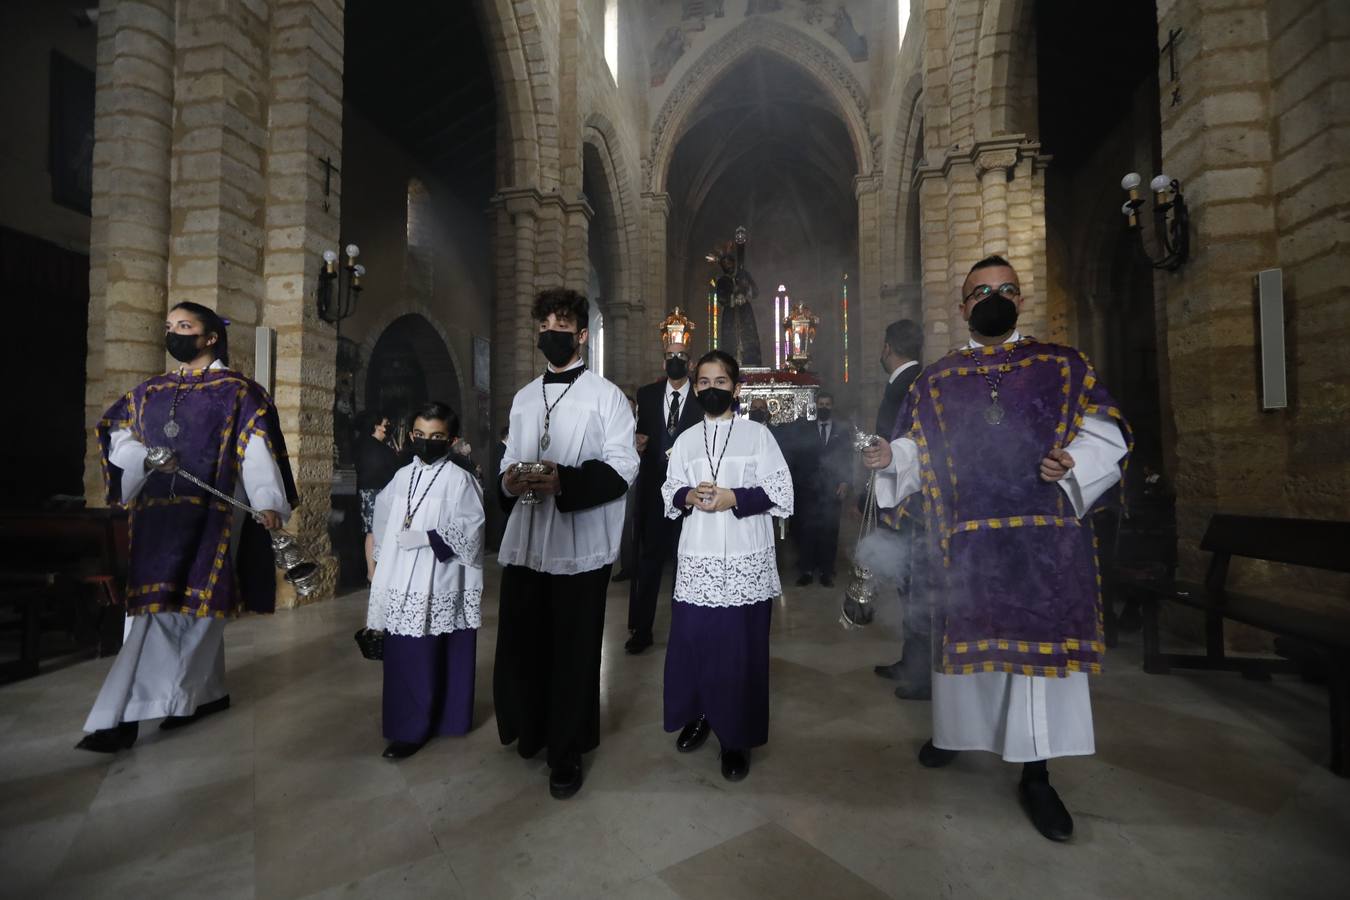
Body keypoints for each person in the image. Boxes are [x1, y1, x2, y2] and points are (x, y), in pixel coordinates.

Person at [862, 255, 1130, 842]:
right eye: (981, 291)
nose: (993, 297)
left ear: (1020, 300)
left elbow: (1106, 432)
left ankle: (1037, 773)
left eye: (1005, 289)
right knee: (964, 649)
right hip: (967, 544)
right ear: (963, 307)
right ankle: (956, 735)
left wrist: (1074, 462)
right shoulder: (937, 379)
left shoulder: (1061, 365)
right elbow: (916, 448)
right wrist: (892, 460)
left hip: (1043, 543)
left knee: (1035, 663)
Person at [77, 302, 296, 753]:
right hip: (155, 518)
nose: (174, 333)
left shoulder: (238, 392)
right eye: (169, 326)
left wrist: (268, 501)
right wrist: (144, 456)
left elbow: (255, 448)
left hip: (209, 517)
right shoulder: (150, 391)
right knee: (162, 611)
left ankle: (120, 718)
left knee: (178, 611)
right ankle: (205, 695)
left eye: (185, 326)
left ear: (211, 336)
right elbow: (118, 434)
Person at [494, 288, 639, 799]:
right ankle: (531, 731)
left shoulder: (607, 397)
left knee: (574, 651)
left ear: (581, 335)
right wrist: (509, 482)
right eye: (544, 324)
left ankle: (567, 751)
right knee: (525, 642)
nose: (551, 333)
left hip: (579, 545)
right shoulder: (524, 397)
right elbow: (507, 458)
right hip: (527, 540)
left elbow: (625, 465)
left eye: (562, 325)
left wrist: (567, 482)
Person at [662, 350, 792, 781]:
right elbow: (669, 491)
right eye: (704, 382)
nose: (712, 389)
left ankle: (736, 737)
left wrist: (734, 497)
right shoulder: (683, 440)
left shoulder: (758, 436)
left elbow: (782, 491)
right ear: (695, 388)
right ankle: (700, 715)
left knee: (740, 653)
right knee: (695, 643)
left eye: (720, 382)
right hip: (697, 558)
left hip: (744, 559)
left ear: (736, 388)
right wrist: (687, 497)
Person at [367, 401, 484, 760]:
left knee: (443, 650)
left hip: (441, 573)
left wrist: (430, 538)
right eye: (419, 435)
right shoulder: (402, 476)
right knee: (408, 654)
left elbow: (473, 528)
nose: (425, 442)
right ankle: (408, 728)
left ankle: (448, 717)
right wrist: (379, 561)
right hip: (402, 574)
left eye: (436, 437)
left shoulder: (460, 479)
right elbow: (382, 518)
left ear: (451, 441)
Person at [869, 319, 933, 700]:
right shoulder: (914, 381)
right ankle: (912, 661)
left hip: (911, 507)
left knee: (918, 589)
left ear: (888, 347)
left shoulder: (909, 385)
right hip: (903, 502)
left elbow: (901, 442)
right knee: (909, 587)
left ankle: (923, 675)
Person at [627, 338, 702, 653]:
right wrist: (636, 442)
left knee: (685, 561)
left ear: (690, 362)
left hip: (687, 492)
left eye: (681, 356)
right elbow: (637, 434)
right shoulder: (647, 394)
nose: (675, 360)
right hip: (653, 490)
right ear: (663, 362)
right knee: (649, 561)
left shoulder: (701, 398)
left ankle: (684, 632)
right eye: (670, 356)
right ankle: (641, 630)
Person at [792, 390, 853, 587]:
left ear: (832, 406)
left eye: (827, 404)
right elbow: (798, 457)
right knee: (807, 529)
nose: (824, 407)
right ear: (815, 406)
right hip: (808, 488)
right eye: (821, 404)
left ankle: (827, 571)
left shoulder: (842, 431)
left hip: (832, 488)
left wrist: (845, 482)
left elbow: (847, 458)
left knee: (829, 530)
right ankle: (807, 570)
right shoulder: (805, 429)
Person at [355, 410, 399, 582]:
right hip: (373, 492)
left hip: (374, 492)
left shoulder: (367, 446)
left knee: (376, 532)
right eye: (385, 424)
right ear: (377, 426)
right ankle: (372, 572)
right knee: (373, 532)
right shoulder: (374, 447)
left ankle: (376, 571)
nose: (387, 427)